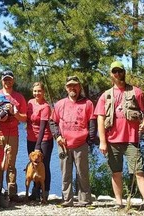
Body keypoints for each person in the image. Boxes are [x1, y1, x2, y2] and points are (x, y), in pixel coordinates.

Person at [94, 61, 144, 213]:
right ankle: (119, 203)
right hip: (112, 140)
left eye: (120, 71)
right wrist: (102, 141)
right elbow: (100, 118)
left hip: (131, 140)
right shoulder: (106, 95)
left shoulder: (137, 92)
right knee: (116, 173)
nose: (117, 74)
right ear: (111, 74)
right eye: (114, 71)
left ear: (124, 72)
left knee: (139, 172)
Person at [49, 75, 96, 207]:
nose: (72, 88)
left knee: (82, 173)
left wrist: (90, 140)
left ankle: (85, 200)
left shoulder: (87, 103)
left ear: (79, 87)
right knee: (65, 173)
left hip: (81, 143)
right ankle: (67, 200)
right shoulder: (59, 104)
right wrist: (57, 136)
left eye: (75, 85)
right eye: (70, 86)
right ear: (66, 88)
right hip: (63, 144)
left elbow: (92, 122)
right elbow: (52, 121)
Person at [0, 70, 27, 202]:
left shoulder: (19, 97)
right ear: (1, 81)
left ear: (13, 81)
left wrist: (13, 113)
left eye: (9, 79)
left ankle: (12, 193)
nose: (7, 82)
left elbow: (24, 118)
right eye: (5, 80)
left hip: (13, 134)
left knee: (10, 164)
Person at [26, 82, 53, 201]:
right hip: (30, 138)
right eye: (35, 91)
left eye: (39, 91)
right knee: (33, 165)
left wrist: (37, 146)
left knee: (44, 166)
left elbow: (42, 127)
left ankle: (45, 192)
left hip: (44, 140)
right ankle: (34, 192)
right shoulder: (30, 103)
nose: (37, 93)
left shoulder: (45, 106)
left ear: (43, 92)